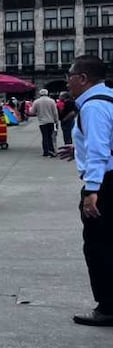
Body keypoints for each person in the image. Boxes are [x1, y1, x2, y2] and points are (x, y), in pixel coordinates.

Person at [60, 55, 113, 326]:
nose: (67, 82)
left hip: (105, 184)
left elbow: (99, 150)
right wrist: (78, 148)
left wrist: (92, 190)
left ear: (82, 78)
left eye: (69, 76)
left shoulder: (92, 107)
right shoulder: (109, 99)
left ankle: (107, 307)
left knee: (98, 246)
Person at [31, 88, 59, 157]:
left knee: (44, 137)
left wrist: (38, 112)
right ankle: (51, 150)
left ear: (40, 94)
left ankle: (45, 152)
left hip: (42, 122)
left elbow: (32, 112)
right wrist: (56, 121)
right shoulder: (52, 101)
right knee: (50, 136)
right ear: (47, 94)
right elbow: (55, 113)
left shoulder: (36, 101)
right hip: (51, 121)